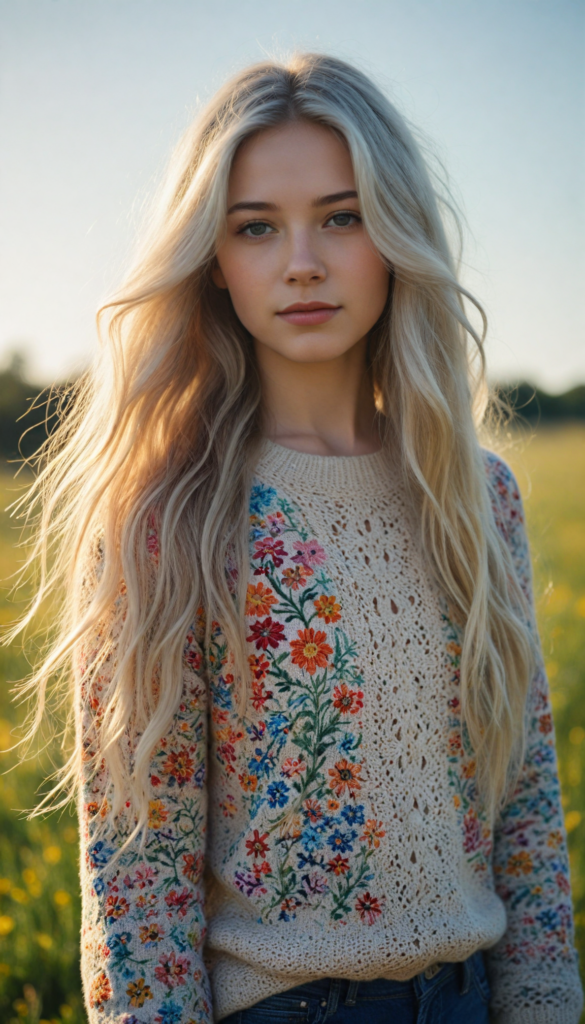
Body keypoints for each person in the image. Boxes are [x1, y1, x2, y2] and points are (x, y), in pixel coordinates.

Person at [12, 53, 582, 1024]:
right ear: (214, 259)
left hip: (474, 1000)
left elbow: (524, 800)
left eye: (342, 215)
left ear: (395, 233)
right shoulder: (166, 512)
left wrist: (542, 997)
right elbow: (137, 879)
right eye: (257, 228)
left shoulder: (476, 495)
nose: (303, 261)